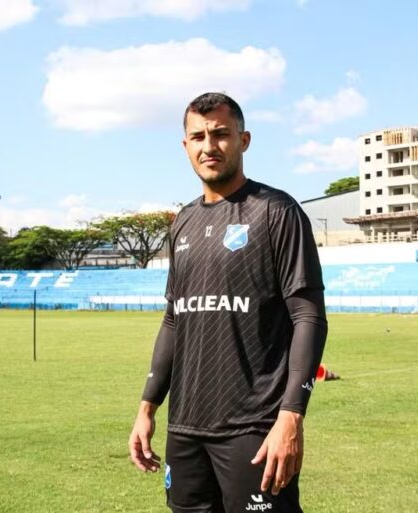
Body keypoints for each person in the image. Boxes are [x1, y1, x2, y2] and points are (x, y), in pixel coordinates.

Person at [128, 92, 328, 513]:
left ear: (244, 140)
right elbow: (173, 320)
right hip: (185, 428)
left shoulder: (276, 212)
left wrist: (292, 415)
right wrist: (148, 407)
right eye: (197, 137)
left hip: (254, 429)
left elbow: (308, 315)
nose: (208, 146)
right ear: (185, 146)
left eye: (220, 134)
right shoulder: (182, 222)